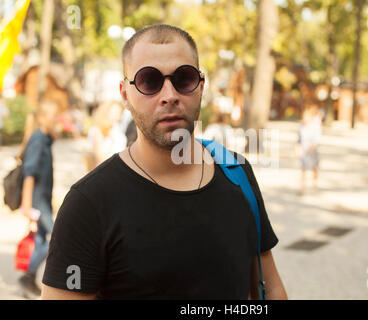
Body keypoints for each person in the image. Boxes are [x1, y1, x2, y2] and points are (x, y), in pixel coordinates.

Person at [41, 24, 287, 300]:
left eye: (183, 78)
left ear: (200, 86)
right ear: (125, 94)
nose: (169, 95)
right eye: (149, 81)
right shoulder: (88, 204)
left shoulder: (237, 174)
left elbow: (272, 287)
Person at [18, 100, 61, 298]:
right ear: (42, 119)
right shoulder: (37, 140)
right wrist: (27, 205)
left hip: (44, 198)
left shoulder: (44, 138)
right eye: (53, 118)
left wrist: (55, 136)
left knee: (42, 240)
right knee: (55, 239)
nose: (56, 122)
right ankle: (27, 276)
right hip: (37, 200)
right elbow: (29, 173)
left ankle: (30, 278)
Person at [84, 100, 127, 171]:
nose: (117, 116)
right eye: (114, 112)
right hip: (107, 170)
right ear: (105, 112)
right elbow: (99, 157)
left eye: (119, 113)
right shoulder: (97, 130)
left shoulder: (116, 128)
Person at [296, 106, 321, 195]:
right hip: (304, 150)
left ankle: (315, 185)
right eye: (304, 117)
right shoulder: (301, 127)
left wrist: (309, 150)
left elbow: (316, 140)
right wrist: (298, 149)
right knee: (303, 169)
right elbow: (298, 140)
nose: (305, 119)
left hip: (312, 151)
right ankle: (303, 188)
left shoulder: (315, 126)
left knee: (315, 168)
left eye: (306, 117)